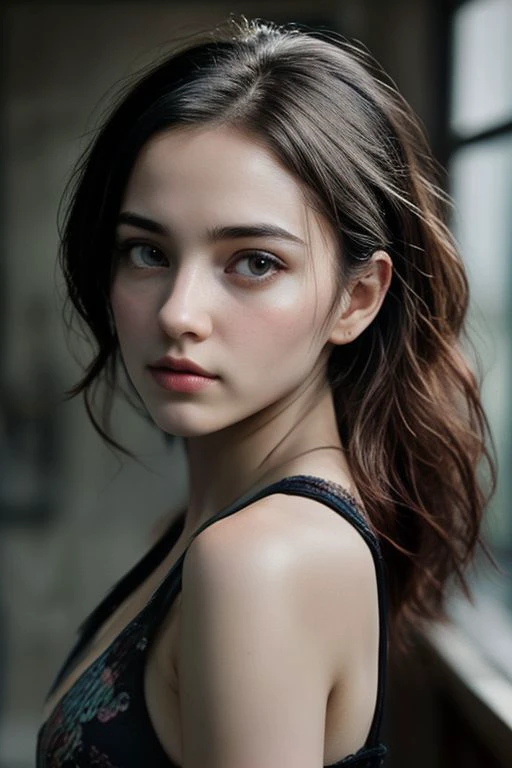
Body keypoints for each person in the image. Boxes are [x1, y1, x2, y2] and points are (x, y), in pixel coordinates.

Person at [36, 17, 495, 768]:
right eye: (147, 251)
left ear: (358, 298)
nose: (179, 313)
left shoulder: (258, 562)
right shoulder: (203, 534)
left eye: (252, 262)